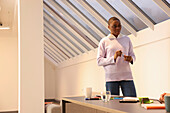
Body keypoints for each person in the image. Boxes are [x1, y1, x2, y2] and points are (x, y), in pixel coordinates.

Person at [97, 17, 137, 97]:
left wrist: (131, 59)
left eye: (119, 25)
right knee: (112, 106)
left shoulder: (126, 39)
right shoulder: (104, 41)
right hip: (111, 78)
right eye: (114, 26)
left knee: (132, 103)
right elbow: (99, 61)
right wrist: (113, 58)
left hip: (127, 77)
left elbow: (133, 56)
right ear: (109, 27)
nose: (117, 28)